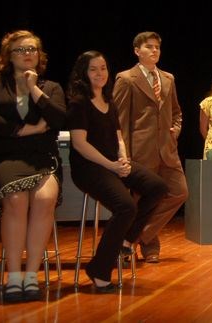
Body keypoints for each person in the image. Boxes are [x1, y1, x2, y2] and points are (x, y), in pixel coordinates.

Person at [66, 51, 168, 291]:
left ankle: (126, 239)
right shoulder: (79, 103)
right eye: (93, 69)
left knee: (158, 187)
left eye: (103, 68)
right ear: (83, 73)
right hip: (89, 168)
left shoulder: (108, 100)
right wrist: (111, 165)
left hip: (113, 162)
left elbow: (117, 135)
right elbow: (80, 144)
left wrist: (123, 158)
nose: (100, 73)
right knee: (126, 206)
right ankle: (99, 270)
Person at [0, 30, 66, 301]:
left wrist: (33, 88)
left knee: (45, 198)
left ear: (39, 55)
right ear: (8, 56)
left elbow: (60, 118)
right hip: (5, 157)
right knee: (16, 199)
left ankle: (31, 276)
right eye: (20, 50)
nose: (27, 54)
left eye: (32, 49)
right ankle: (13, 276)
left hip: (42, 158)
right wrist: (26, 130)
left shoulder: (50, 87)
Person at [113, 31, 188, 263]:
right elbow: (119, 120)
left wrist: (176, 129)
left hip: (167, 149)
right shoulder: (126, 79)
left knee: (180, 192)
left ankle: (141, 236)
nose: (154, 50)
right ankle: (146, 248)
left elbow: (176, 111)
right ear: (137, 51)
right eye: (149, 47)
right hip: (140, 151)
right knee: (140, 201)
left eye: (157, 47)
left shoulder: (168, 78)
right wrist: (123, 152)